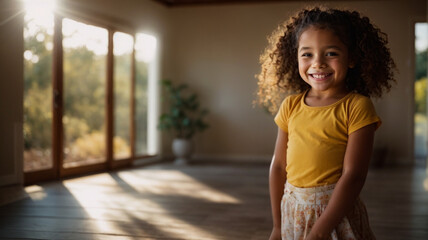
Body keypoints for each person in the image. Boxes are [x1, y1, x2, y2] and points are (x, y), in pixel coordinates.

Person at [256, 7, 396, 240]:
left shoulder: (357, 107)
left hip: (336, 216)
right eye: (307, 54)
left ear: (351, 58)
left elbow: (354, 175)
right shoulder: (291, 105)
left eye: (331, 53)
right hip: (293, 212)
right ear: (296, 57)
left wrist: (320, 231)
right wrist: (278, 226)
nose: (318, 63)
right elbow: (279, 167)